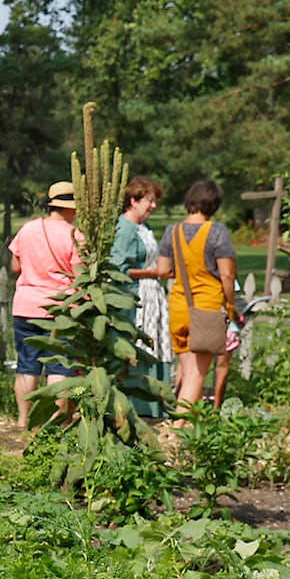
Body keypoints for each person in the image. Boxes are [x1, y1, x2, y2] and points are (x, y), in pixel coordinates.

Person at [154, 179, 238, 419]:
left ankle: (182, 423)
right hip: (207, 308)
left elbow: (162, 269)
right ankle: (180, 427)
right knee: (198, 374)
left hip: (179, 305)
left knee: (187, 369)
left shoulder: (173, 230)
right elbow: (227, 274)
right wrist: (230, 304)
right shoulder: (217, 231)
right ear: (214, 204)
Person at [8, 180, 82, 428]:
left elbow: (15, 266)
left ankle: (22, 419)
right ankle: (54, 420)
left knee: (26, 366)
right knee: (59, 368)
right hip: (59, 310)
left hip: (25, 306)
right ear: (70, 208)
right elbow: (79, 277)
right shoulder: (75, 235)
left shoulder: (28, 229)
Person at [109, 175, 170, 418]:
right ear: (133, 201)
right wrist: (152, 272)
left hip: (151, 294)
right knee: (137, 344)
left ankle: (156, 403)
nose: (153, 206)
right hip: (134, 297)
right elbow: (117, 268)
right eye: (149, 201)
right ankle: (137, 405)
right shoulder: (124, 228)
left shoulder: (144, 228)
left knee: (156, 344)